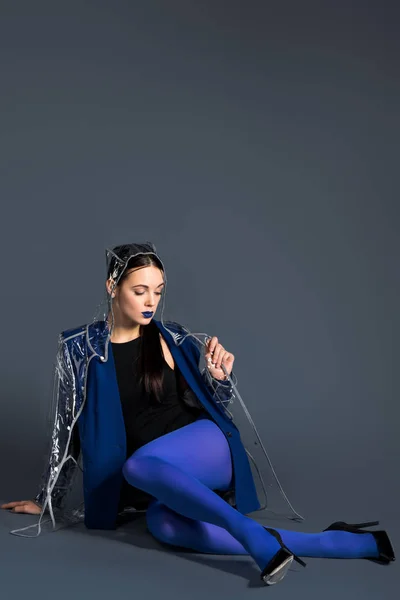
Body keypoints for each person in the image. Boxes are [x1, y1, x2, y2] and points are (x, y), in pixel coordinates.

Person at [1, 242, 395, 586]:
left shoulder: (173, 337)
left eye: (157, 290)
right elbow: (66, 426)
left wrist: (221, 377)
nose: (151, 301)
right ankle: (337, 542)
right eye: (140, 291)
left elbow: (214, 405)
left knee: (138, 466)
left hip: (204, 449)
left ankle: (255, 539)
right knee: (164, 525)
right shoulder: (79, 348)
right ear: (112, 287)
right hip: (159, 474)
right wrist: (47, 497)